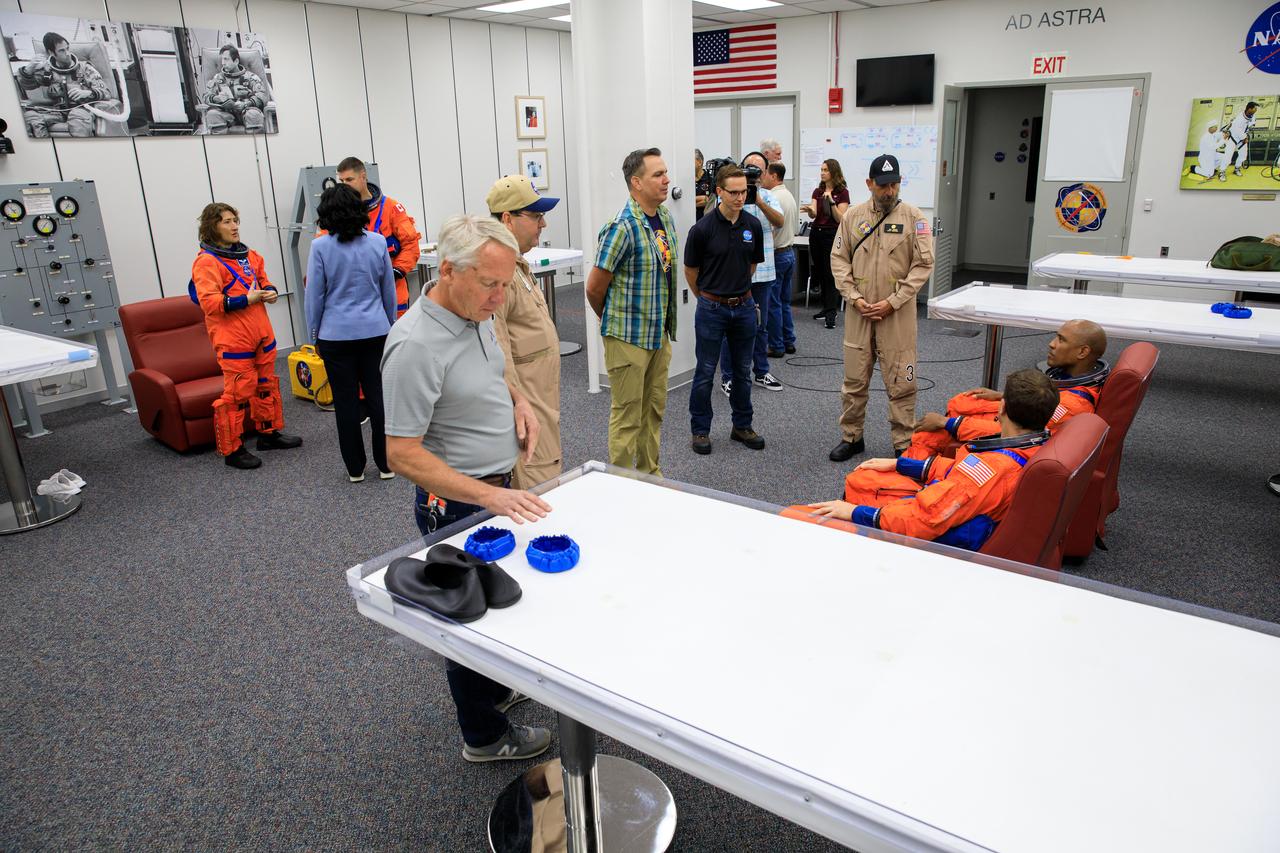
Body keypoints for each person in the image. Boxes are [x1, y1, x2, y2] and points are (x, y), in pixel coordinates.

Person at [382, 214, 553, 764]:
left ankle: (495, 688)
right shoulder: (415, 347)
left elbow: (490, 369)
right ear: (449, 270)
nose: (500, 298)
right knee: (467, 618)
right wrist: (488, 496)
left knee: (500, 599)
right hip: (457, 504)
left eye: (506, 284)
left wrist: (518, 402)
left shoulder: (473, 310)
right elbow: (401, 453)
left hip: (493, 492)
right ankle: (483, 736)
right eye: (490, 284)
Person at [797, 369, 1058, 550]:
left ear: (1000, 408)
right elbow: (961, 473)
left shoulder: (989, 470)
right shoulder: (1035, 445)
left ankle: (856, 543)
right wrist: (901, 464)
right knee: (864, 477)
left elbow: (923, 521)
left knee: (799, 515)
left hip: (937, 536)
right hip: (956, 509)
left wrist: (856, 513)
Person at [827, 154, 934, 462]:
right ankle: (852, 436)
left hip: (897, 317)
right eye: (883, 185)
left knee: (903, 380)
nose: (889, 191)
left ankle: (903, 442)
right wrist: (853, 297)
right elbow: (839, 259)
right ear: (869, 184)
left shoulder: (915, 219)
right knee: (854, 381)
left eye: (894, 184)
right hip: (859, 314)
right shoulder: (852, 217)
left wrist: (892, 302)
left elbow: (923, 265)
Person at [586, 148, 679, 475]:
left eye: (665, 172)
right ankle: (622, 483)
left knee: (653, 411)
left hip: (657, 335)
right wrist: (612, 319)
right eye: (658, 174)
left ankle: (650, 475)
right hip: (627, 336)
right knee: (628, 416)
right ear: (636, 182)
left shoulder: (663, 217)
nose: (666, 180)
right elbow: (594, 288)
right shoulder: (621, 228)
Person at [190, 203, 303, 469]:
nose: (234, 226)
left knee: (266, 385)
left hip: (261, 332)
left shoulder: (249, 256)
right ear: (212, 227)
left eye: (235, 221)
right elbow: (209, 302)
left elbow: (263, 280)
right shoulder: (206, 262)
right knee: (237, 393)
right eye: (227, 222)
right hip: (233, 338)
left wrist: (271, 291)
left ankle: (268, 434)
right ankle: (233, 450)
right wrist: (246, 299)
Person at [906, 319, 1109, 459]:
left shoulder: (1071, 405)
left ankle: (910, 470)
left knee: (933, 431)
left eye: (1061, 339)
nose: (1052, 344)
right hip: (1013, 427)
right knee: (963, 402)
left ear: (1083, 352)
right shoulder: (1069, 380)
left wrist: (949, 423)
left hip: (1011, 445)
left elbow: (1020, 432)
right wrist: (1002, 396)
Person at [305, 185, 397, 482]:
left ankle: (355, 469)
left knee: (345, 403)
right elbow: (388, 291)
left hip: (335, 335)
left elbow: (314, 297)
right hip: (375, 331)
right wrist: (390, 324)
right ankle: (386, 465)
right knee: (379, 399)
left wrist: (314, 334)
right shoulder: (378, 242)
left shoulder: (320, 247)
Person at [486, 174, 563, 490]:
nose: (542, 224)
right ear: (507, 219)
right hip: (526, 407)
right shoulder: (496, 273)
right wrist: (519, 405)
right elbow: (497, 351)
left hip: (542, 400)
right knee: (538, 491)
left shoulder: (518, 266)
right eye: (535, 216)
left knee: (548, 478)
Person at [683, 164, 766, 456]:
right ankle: (701, 430)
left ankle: (741, 426)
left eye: (744, 191)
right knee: (705, 371)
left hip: (743, 306)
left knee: (743, 371)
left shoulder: (752, 226)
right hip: (711, 308)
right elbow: (690, 271)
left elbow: (752, 266)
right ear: (719, 192)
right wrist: (707, 297)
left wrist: (736, 292)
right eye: (733, 192)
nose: (740, 197)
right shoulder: (702, 229)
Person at [718, 152, 785, 395]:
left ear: (765, 174)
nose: (752, 174)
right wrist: (737, 198)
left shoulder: (767, 196)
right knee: (730, 329)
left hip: (763, 274)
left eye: (757, 170)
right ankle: (729, 377)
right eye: (748, 169)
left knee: (761, 326)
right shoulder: (728, 196)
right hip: (734, 276)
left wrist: (758, 201)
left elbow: (780, 222)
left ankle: (761, 372)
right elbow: (714, 221)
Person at [335, 156, 422, 317]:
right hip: (355, 298)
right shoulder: (337, 213)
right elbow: (324, 247)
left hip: (392, 293)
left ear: (363, 177)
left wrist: (396, 271)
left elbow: (411, 244)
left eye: (349, 180)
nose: (345, 186)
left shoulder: (391, 208)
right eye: (341, 181)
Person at [17, 32, 117, 138]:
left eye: (67, 48)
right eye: (62, 51)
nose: (68, 53)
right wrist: (28, 70)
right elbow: (27, 86)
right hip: (58, 111)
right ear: (51, 52)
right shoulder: (47, 70)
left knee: (78, 119)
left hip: (81, 109)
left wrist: (87, 93)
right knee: (30, 117)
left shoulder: (84, 68)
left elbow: (106, 93)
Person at [800, 159, 851, 328]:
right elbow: (814, 214)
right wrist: (810, 210)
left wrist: (831, 202)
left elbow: (841, 218)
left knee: (830, 273)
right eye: (821, 169)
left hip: (832, 234)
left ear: (833, 172)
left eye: (826, 170)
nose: (822, 173)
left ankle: (831, 312)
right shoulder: (818, 191)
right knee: (820, 271)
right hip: (816, 233)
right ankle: (825, 307)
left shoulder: (842, 192)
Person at [761, 161, 798, 357]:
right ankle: (788, 341)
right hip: (789, 253)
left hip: (777, 255)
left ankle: (776, 345)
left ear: (774, 176)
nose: (762, 178)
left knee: (773, 303)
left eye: (765, 174)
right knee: (784, 301)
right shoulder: (788, 195)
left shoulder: (773, 198)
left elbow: (772, 228)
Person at [202, 45, 267, 135]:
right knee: (212, 114)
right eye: (222, 59)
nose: (223, 63)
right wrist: (217, 98)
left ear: (236, 61)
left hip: (247, 111)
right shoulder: (217, 78)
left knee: (254, 114)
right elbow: (206, 96)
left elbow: (263, 96)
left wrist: (246, 103)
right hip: (226, 114)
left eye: (226, 59)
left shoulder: (251, 77)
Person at [1224, 101, 1259, 179]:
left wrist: (1250, 127)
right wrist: (1245, 138)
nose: (1256, 110)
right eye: (1255, 109)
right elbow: (1237, 131)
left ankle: (1237, 169)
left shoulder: (1252, 115)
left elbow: (1252, 123)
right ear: (1249, 109)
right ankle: (1222, 172)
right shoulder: (1239, 119)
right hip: (1234, 137)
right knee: (1228, 156)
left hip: (1243, 137)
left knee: (1243, 155)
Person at [694, 148, 713, 221]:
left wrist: (691, 204)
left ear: (699, 162)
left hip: (705, 220)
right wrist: (699, 199)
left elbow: (708, 200)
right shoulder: (687, 180)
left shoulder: (709, 178)